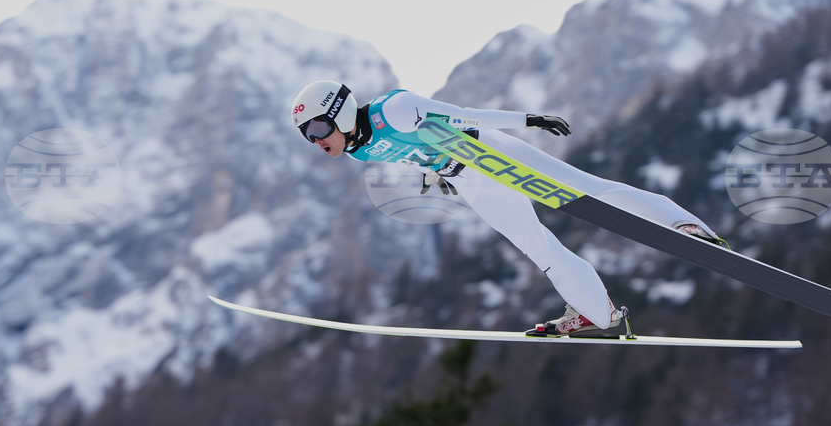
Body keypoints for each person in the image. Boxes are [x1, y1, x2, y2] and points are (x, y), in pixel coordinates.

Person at [291, 80, 727, 337]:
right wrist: (435, 175)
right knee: (535, 246)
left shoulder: (396, 109)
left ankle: (681, 224)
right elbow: (412, 154)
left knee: (587, 189)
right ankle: (596, 311)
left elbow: (462, 116)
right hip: (471, 181)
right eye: (306, 135)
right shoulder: (358, 151)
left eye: (317, 127)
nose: (316, 139)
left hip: (487, 151)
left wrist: (529, 120)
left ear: (340, 110)